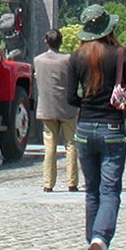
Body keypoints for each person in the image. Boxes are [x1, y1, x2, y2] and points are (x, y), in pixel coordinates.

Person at [66, 4, 126, 250]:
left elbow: (70, 97)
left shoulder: (76, 57)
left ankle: (92, 244)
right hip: (112, 127)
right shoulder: (119, 54)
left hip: (85, 127)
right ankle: (101, 238)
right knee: (110, 190)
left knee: (92, 191)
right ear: (108, 28)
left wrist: (87, 102)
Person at [34, 28, 79, 193]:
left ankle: (48, 183)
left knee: (50, 146)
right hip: (67, 107)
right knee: (71, 144)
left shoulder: (38, 60)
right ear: (61, 42)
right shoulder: (68, 59)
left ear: (46, 41)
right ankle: (72, 182)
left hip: (47, 108)